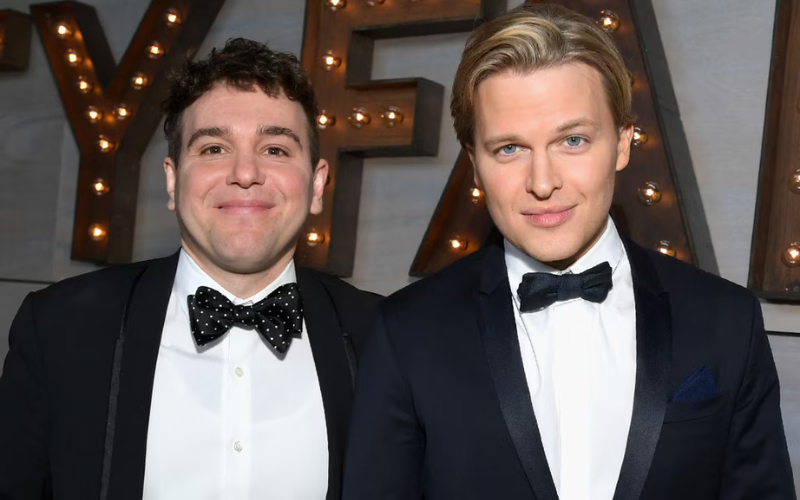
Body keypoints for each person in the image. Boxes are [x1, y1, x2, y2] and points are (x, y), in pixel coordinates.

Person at [342, 4, 795, 499]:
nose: (542, 182)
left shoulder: (726, 321)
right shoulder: (406, 332)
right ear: (474, 164)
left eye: (572, 140)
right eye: (509, 149)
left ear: (623, 143)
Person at [0, 38, 380, 500]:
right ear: (173, 179)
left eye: (275, 149)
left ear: (317, 184)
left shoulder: (382, 337)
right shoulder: (60, 328)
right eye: (214, 148)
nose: (245, 172)